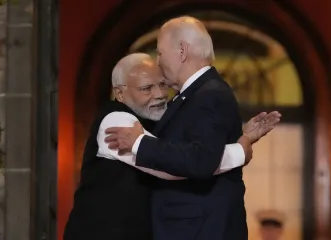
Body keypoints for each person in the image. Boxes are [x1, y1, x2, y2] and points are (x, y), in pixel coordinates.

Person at [63, 53, 280, 240]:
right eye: (146, 88)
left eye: (162, 85)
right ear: (120, 94)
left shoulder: (159, 121)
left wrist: (240, 138)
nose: (158, 94)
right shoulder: (117, 121)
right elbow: (171, 166)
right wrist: (239, 150)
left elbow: (185, 152)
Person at [105, 17, 281, 240]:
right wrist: (240, 148)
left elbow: (201, 160)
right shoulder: (194, 94)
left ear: (182, 50)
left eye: (160, 53)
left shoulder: (209, 94)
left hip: (200, 230)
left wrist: (139, 142)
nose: (158, 62)